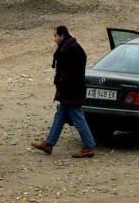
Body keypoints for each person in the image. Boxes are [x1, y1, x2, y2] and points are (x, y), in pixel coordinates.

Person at [32, 26, 96, 158]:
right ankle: (48, 144)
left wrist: (62, 84)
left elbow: (69, 72)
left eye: (55, 36)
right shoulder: (70, 47)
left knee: (78, 118)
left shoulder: (70, 49)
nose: (54, 39)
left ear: (61, 35)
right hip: (70, 90)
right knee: (60, 116)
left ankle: (89, 146)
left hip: (71, 91)